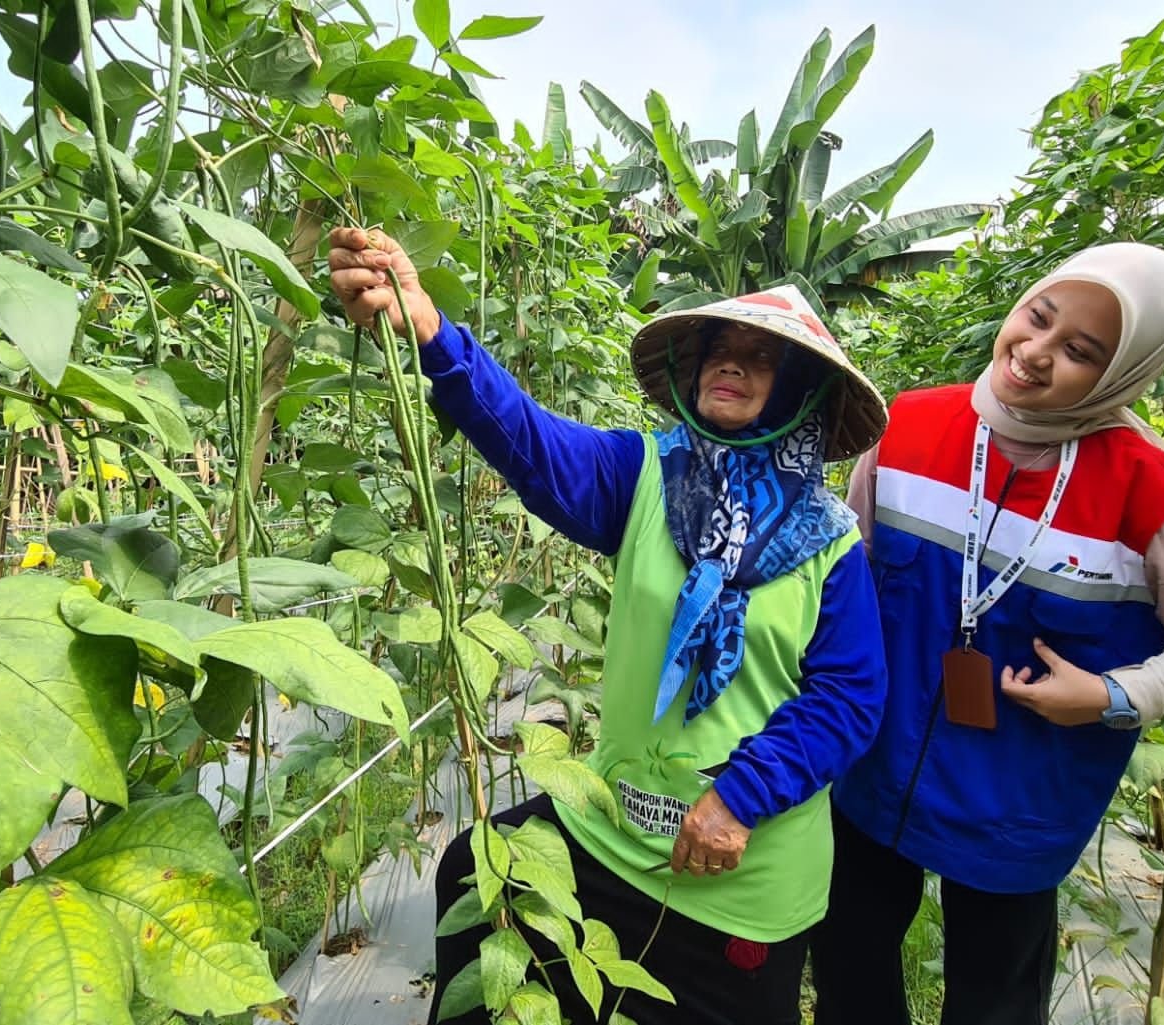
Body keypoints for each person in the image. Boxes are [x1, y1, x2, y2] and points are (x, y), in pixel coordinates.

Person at [327, 227, 890, 1025]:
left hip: (744, 870)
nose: (730, 362)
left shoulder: (830, 541)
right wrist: (430, 331)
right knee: (474, 868)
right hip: (616, 828)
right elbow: (529, 440)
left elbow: (850, 698)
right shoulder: (644, 480)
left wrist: (742, 794)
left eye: (760, 357)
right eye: (717, 348)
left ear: (799, 387)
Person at [809, 242, 1164, 1025]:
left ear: (1123, 371)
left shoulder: (1150, 489)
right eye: (1039, 317)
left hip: (1019, 806)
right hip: (873, 769)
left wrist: (1112, 694)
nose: (1035, 353)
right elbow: (845, 566)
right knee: (849, 966)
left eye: (1081, 351)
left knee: (995, 999)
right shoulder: (911, 425)